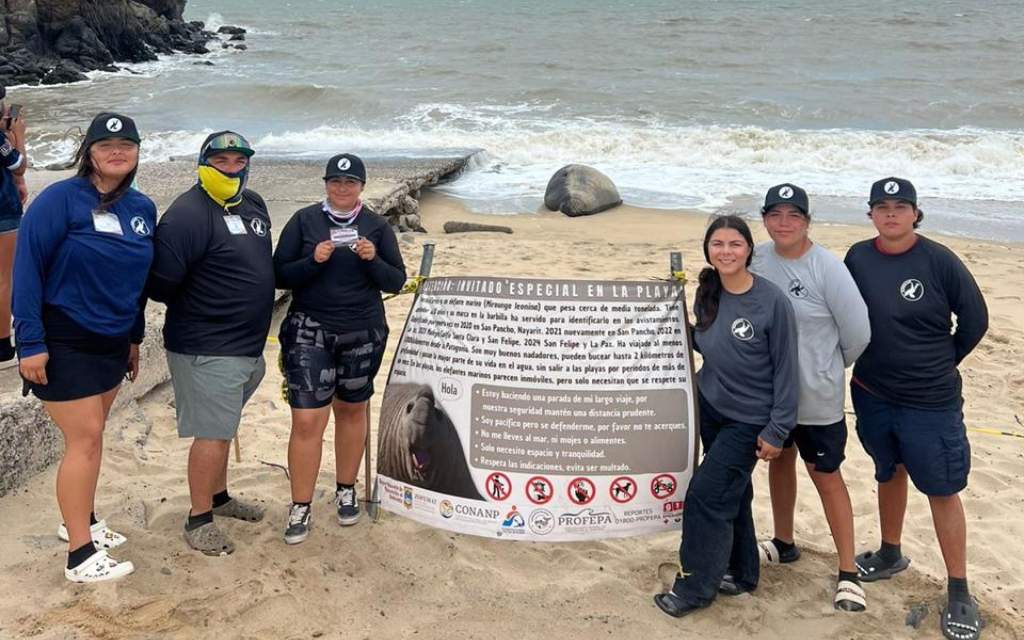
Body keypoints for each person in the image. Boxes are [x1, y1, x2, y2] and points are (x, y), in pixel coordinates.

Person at [13, 112, 155, 582]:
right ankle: (79, 555)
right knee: (86, 438)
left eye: (127, 146)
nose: (117, 152)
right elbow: (27, 271)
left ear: (136, 153)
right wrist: (30, 343)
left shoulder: (142, 208)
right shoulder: (59, 200)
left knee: (92, 439)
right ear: (88, 152)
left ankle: (82, 521)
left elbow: (138, 281)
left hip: (112, 341)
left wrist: (134, 338)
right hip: (63, 335)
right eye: (106, 145)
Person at [845, 178, 988, 640]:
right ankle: (890, 552)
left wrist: (941, 362)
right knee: (889, 471)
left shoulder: (938, 259)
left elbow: (975, 320)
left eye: (900, 207)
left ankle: (960, 589)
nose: (891, 214)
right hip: (871, 390)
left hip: (931, 400)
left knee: (942, 488)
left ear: (915, 213)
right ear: (870, 214)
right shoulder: (857, 257)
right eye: (881, 207)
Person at [654, 215, 798, 618]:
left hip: (750, 420)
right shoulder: (708, 292)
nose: (726, 252)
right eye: (717, 244)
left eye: (734, 244)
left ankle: (696, 588)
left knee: (705, 496)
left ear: (749, 249)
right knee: (734, 491)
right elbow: (702, 342)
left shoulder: (772, 302)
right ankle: (742, 570)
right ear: (708, 250)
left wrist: (778, 429)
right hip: (711, 408)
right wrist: (668, 316)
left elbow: (788, 370)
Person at [147, 131, 275, 556]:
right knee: (213, 433)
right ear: (203, 163)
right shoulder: (185, 215)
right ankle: (198, 517)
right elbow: (162, 285)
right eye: (222, 161)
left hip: (247, 346)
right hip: (207, 345)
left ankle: (219, 498)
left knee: (223, 428)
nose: (232, 168)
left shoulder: (252, 204)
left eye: (239, 161)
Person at [749, 183, 871, 611]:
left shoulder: (827, 268)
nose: (784, 224)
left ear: (807, 222)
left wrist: (824, 367)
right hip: (769, 394)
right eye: (776, 215)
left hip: (816, 396)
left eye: (794, 216)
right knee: (778, 461)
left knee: (826, 476)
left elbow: (858, 334)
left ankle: (848, 570)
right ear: (764, 219)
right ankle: (784, 541)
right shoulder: (757, 258)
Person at [273, 153, 405, 544]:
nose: (342, 189)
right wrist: (312, 261)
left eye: (350, 183)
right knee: (308, 420)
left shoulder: (376, 226)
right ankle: (301, 504)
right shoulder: (305, 221)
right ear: (326, 184)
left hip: (363, 330)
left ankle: (346, 488)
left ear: (362, 186)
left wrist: (372, 260)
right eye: (335, 182)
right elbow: (280, 274)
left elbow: (396, 280)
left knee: (352, 410)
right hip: (309, 329)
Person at [1, 84, 29, 363]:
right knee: (4, 279)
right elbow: (18, 164)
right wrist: (18, 135)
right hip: (3, 212)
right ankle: (2, 345)